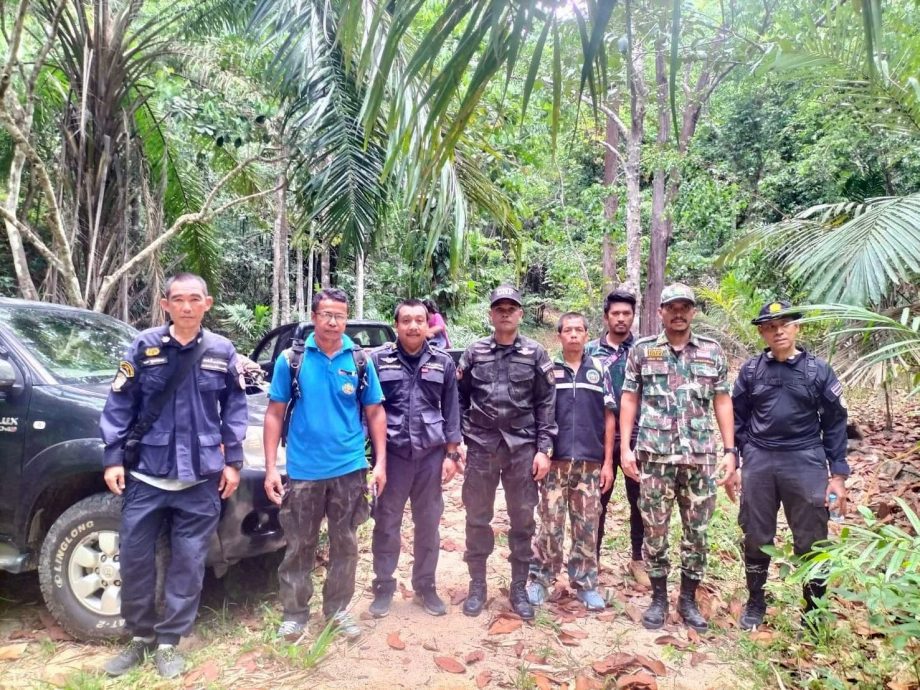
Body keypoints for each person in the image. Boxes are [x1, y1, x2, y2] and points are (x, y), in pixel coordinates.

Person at [99, 273, 248, 679]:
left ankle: (169, 641)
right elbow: (119, 402)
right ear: (165, 304)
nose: (186, 306)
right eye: (178, 299)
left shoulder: (222, 350)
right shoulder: (144, 346)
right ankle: (139, 637)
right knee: (133, 558)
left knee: (188, 561)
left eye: (194, 299)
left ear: (207, 303)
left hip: (200, 479)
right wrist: (114, 458)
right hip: (147, 474)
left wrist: (233, 461)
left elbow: (235, 406)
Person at [262, 288, 387, 641]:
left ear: (347, 319)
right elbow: (273, 414)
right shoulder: (292, 360)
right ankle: (295, 613)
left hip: (349, 469)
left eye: (340, 316)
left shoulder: (359, 360)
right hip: (304, 471)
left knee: (344, 542)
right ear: (315, 316)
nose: (333, 322)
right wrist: (272, 468)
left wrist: (379, 464)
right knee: (299, 544)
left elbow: (375, 413)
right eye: (326, 314)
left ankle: (337, 610)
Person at [619, 283, 738, 633]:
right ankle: (658, 598)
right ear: (661, 312)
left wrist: (730, 451)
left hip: (699, 457)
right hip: (655, 457)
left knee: (696, 532)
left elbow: (722, 401)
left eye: (685, 307)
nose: (678, 313)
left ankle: (687, 597)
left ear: (693, 312)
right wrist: (626, 448)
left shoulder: (712, 352)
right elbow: (629, 398)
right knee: (655, 529)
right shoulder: (643, 351)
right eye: (672, 307)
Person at [732, 300, 849, 630]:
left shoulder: (818, 371)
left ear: (796, 327)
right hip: (760, 458)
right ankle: (756, 602)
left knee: (812, 537)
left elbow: (836, 422)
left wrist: (837, 475)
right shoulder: (752, 371)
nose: (778, 331)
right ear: (762, 333)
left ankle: (813, 609)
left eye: (784, 324)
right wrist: (739, 459)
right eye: (770, 326)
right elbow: (737, 417)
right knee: (756, 532)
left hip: (805, 459)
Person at [457, 285, 557, 620]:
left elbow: (546, 403)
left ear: (520, 314)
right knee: (477, 518)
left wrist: (544, 449)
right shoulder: (474, 353)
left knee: (523, 520)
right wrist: (458, 438)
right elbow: (458, 396)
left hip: (522, 449)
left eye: (511, 308)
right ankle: (477, 586)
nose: (504, 313)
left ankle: (518, 587)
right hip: (482, 446)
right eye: (498, 307)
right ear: (490, 314)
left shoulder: (535, 354)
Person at [368, 299, 462, 618]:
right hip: (393, 455)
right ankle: (383, 587)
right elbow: (368, 410)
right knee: (386, 523)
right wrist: (372, 458)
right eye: (406, 320)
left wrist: (451, 454)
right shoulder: (378, 360)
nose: (413, 326)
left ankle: (425, 586)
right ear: (396, 325)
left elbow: (451, 409)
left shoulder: (442, 361)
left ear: (428, 324)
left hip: (430, 456)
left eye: (419, 320)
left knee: (428, 524)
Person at [527, 312, 607, 611]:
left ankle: (586, 584)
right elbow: (538, 412)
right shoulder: (548, 370)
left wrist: (608, 462)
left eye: (579, 330)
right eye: (567, 330)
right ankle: (541, 580)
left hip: (589, 463)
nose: (573, 335)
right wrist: (540, 451)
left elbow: (609, 418)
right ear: (559, 336)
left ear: (587, 335)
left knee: (587, 525)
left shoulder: (599, 369)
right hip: (555, 462)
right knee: (550, 523)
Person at [586, 288, 648, 587]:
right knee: (597, 498)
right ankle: (592, 558)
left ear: (633, 317)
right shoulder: (589, 351)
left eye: (627, 314)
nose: (621, 319)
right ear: (606, 317)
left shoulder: (647, 350)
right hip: (600, 436)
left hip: (639, 435)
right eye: (616, 313)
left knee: (641, 501)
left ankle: (638, 558)